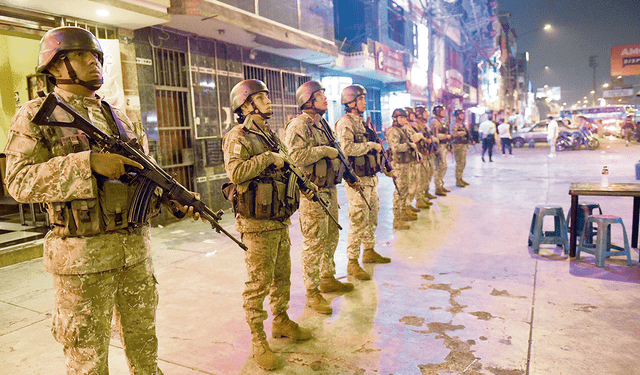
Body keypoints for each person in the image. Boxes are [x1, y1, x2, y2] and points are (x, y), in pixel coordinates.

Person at [3, 26, 205, 375]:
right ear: (54, 65)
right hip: (82, 262)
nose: (93, 62)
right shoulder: (36, 115)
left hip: (134, 254)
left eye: (96, 55)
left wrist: (171, 200)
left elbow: (142, 176)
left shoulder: (120, 116)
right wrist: (87, 164)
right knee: (87, 359)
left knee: (144, 345)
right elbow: (18, 182)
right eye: (81, 55)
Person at [223, 79, 311, 370]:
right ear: (246, 104)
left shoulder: (271, 134)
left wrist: (306, 185)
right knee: (257, 284)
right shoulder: (239, 136)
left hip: (279, 220)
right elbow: (236, 173)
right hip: (256, 224)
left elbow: (289, 165)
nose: (269, 101)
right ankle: (258, 339)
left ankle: (282, 320)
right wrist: (267, 158)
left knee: (282, 277)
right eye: (262, 97)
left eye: (267, 97)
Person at [284, 81, 353, 315]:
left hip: (329, 188)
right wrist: (324, 151)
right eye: (320, 95)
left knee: (331, 234)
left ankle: (327, 276)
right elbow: (294, 156)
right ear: (308, 100)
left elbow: (335, 150)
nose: (325, 98)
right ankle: (312, 292)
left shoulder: (322, 124)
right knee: (314, 241)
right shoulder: (298, 125)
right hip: (311, 192)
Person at [335, 84, 391, 281]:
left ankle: (368, 251)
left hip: (370, 178)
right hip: (356, 181)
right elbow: (346, 149)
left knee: (372, 215)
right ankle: (351, 261)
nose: (364, 102)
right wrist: (369, 146)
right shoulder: (345, 123)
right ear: (350, 102)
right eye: (361, 99)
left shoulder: (362, 123)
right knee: (358, 219)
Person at [386, 108, 416, 230]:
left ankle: (403, 212)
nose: (404, 120)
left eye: (405, 117)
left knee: (405, 189)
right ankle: (397, 218)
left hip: (405, 163)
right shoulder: (394, 131)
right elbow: (395, 148)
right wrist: (409, 145)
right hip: (398, 165)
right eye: (401, 118)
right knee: (399, 191)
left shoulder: (402, 130)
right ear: (395, 118)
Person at [414, 105, 438, 200]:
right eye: (425, 113)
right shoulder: (415, 125)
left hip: (429, 152)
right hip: (421, 153)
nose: (427, 115)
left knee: (428, 173)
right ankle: (420, 197)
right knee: (421, 177)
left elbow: (430, 136)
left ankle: (426, 192)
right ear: (419, 114)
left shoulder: (425, 125)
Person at [429, 105, 452, 196]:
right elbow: (434, 136)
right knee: (440, 166)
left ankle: (440, 184)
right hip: (438, 146)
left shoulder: (441, 122)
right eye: (442, 111)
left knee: (443, 166)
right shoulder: (434, 122)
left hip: (444, 145)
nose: (444, 113)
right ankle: (438, 187)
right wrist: (446, 136)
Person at [451, 109, 471, 187]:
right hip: (457, 145)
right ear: (456, 116)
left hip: (463, 144)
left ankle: (460, 178)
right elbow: (453, 134)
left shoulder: (462, 124)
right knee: (459, 162)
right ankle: (458, 180)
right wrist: (463, 133)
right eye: (460, 114)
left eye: (463, 114)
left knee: (463, 163)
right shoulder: (454, 124)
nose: (462, 116)